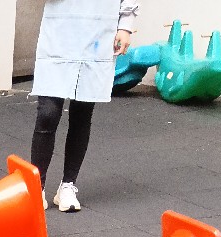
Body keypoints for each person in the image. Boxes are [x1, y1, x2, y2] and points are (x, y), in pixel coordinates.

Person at [30, 1, 139, 212]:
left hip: (98, 31)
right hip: (59, 29)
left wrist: (125, 26)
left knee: (82, 112)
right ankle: (36, 186)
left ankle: (68, 185)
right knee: (48, 113)